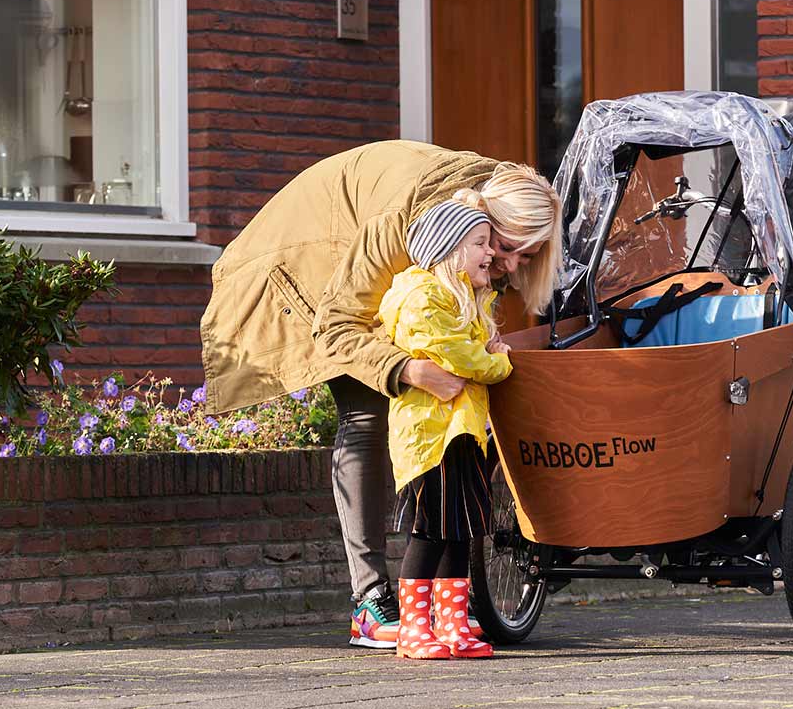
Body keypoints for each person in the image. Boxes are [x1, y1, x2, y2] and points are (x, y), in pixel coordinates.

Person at [199, 142, 561, 649]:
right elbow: (340, 324)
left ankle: (442, 608)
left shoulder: (477, 232)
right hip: (310, 266)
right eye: (508, 248)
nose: (514, 265)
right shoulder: (401, 226)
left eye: (528, 255)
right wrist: (408, 368)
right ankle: (370, 602)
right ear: (481, 222)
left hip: (393, 260)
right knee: (367, 416)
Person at [377, 194, 513, 659]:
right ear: (449, 249)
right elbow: (459, 356)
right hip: (431, 437)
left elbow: (471, 350)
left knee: (462, 528)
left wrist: (487, 345)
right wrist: (497, 363)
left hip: (463, 432)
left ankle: (451, 622)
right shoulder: (421, 297)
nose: (491, 253)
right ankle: (415, 627)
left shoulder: (466, 304)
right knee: (430, 528)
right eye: (480, 243)